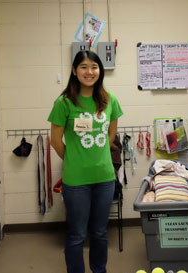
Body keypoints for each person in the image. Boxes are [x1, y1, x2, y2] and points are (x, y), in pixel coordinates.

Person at [48, 50, 123, 273]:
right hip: (76, 181)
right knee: (77, 234)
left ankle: (99, 270)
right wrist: (73, 159)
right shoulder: (64, 102)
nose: (89, 72)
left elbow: (111, 136)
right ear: (74, 70)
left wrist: (98, 155)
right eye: (83, 67)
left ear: (100, 71)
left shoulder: (110, 100)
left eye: (94, 67)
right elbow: (55, 141)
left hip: (105, 178)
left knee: (100, 233)